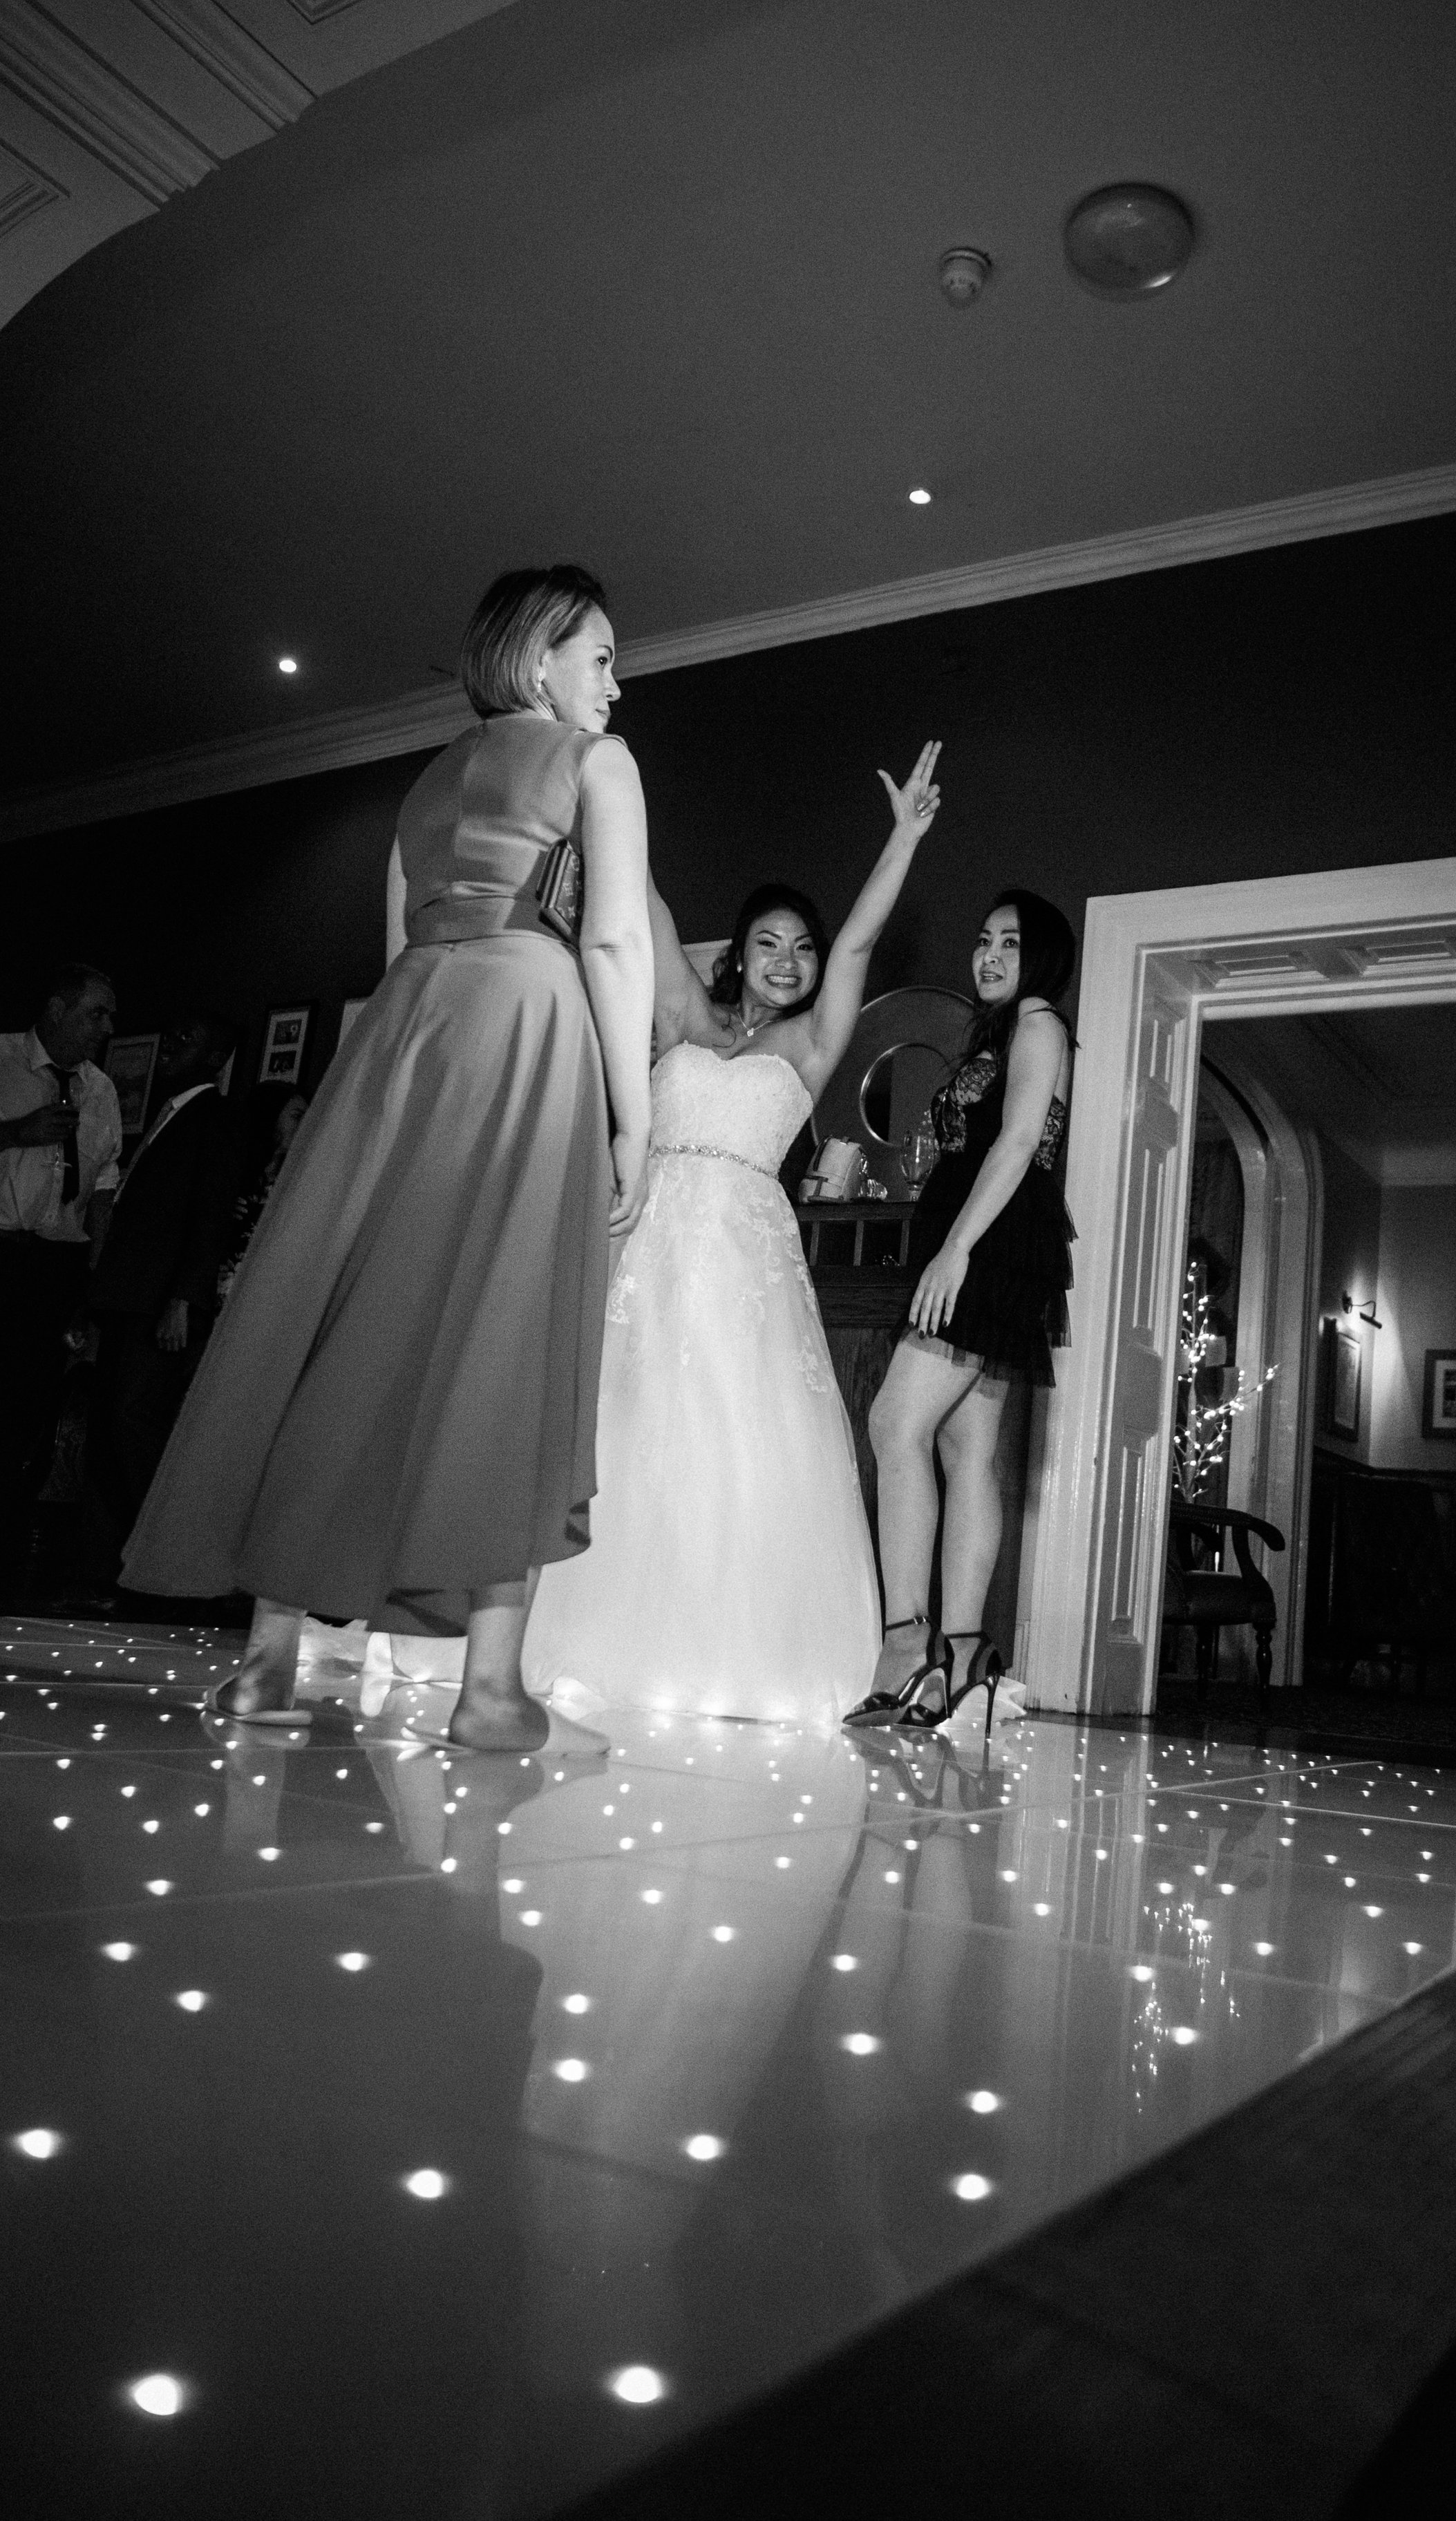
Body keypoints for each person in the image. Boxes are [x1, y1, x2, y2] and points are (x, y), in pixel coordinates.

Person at [122, 564, 655, 1751]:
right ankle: (490, 1691)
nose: (617, 685)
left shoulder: (421, 786)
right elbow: (615, 940)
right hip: (526, 1024)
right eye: (602, 659)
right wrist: (635, 1116)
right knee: (506, 1331)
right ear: (537, 662)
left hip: (408, 1036)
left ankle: (267, 1665)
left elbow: (392, 950)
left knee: (349, 1328)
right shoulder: (594, 764)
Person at [521, 742, 943, 1728]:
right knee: (623, 1424)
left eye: (800, 946)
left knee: (724, 1432)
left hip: (744, 1256)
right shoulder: (683, 1015)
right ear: (739, 951)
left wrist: (905, 839)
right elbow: (649, 904)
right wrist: (600, 801)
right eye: (769, 943)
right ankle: (576, 1629)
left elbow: (856, 950)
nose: (789, 960)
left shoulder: (810, 1042)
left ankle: (720, 1648)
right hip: (645, 1240)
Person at [853, 890, 1076, 1734]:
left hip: (985, 1245)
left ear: (1043, 956)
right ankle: (963, 1661)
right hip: (986, 1241)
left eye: (1008, 944)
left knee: (892, 1425)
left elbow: (1017, 1142)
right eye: (982, 940)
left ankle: (906, 1645)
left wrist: (956, 1250)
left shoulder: (1040, 1023)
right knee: (964, 1446)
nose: (987, 956)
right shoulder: (1007, 1029)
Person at [82, 1010, 243, 1592]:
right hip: (128, 1299)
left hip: (159, 1305)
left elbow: (210, 1212)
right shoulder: (167, 1113)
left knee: (134, 1426)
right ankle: (105, 1569)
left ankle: (163, 1565)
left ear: (216, 1057)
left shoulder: (214, 1118)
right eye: (172, 1033)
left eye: (187, 1035)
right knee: (107, 1429)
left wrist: (184, 1297)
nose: (172, 1042)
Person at [0, 964, 121, 1590]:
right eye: (95, 1014)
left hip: (56, 1267)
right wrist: (14, 1134)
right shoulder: (1, 1061)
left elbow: (102, 1186)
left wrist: (96, 1281)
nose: (106, 1029)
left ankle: (11, 1552)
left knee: (31, 1413)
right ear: (55, 1008)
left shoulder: (100, 1091)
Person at [216, 1082, 308, 1303]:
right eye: (297, 1116)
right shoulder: (228, 1173)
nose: (304, 1125)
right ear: (270, 1115)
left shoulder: (299, 1184)